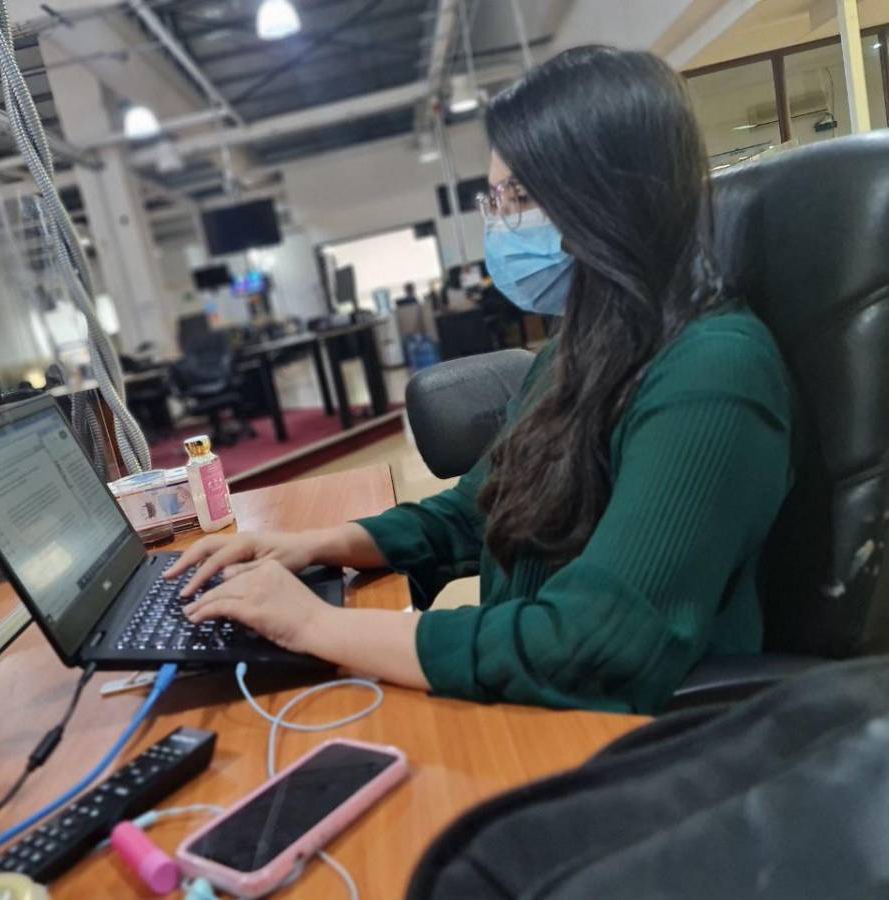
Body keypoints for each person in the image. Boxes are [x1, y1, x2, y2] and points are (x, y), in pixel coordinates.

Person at [165, 46, 797, 713]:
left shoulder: (711, 372)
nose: (500, 220)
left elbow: (593, 643)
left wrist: (314, 624)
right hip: (540, 703)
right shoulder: (585, 346)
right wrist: (318, 544)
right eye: (494, 198)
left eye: (519, 196)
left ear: (608, 197)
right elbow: (480, 509)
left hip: (636, 732)